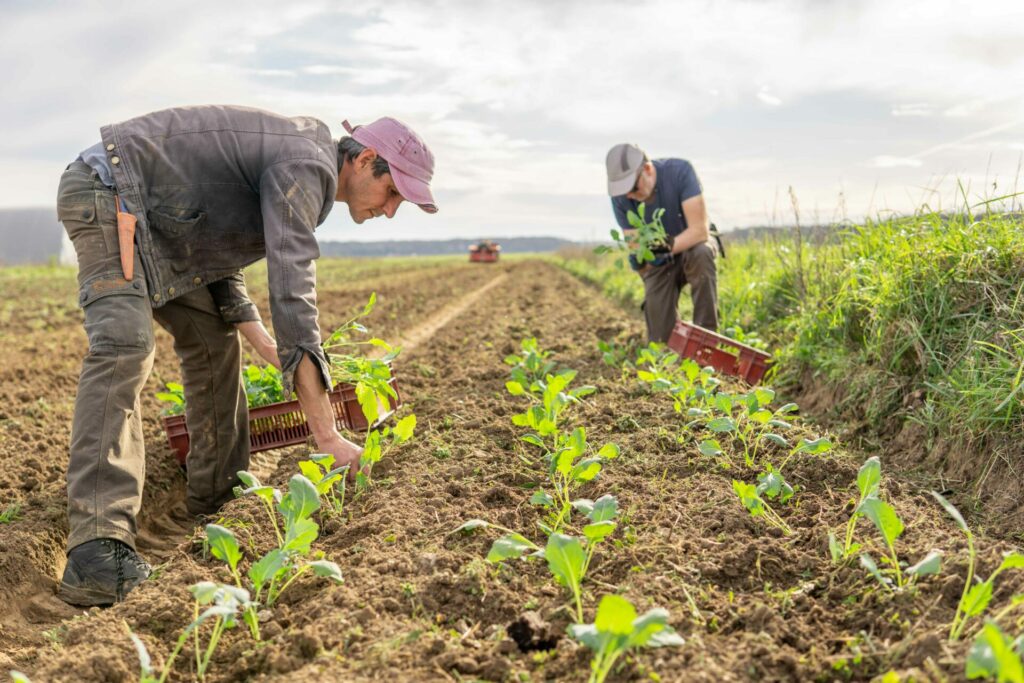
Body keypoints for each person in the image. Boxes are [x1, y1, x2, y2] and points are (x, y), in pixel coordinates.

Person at [55, 105, 437, 606]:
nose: (389, 210)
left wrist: (262, 341)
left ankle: (217, 495)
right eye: (393, 193)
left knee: (214, 341)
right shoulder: (307, 165)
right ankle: (96, 551)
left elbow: (218, 248)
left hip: (164, 226)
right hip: (111, 194)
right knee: (125, 347)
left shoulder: (302, 163)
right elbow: (292, 293)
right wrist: (327, 435)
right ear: (365, 159)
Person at [605, 143, 720, 342]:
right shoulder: (622, 199)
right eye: (623, 192)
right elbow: (637, 247)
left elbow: (699, 231)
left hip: (691, 247)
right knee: (660, 339)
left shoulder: (680, 172)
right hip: (661, 262)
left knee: (701, 253)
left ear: (647, 169)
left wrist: (666, 246)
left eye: (632, 188)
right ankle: (671, 339)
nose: (629, 195)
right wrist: (647, 276)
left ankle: (707, 338)